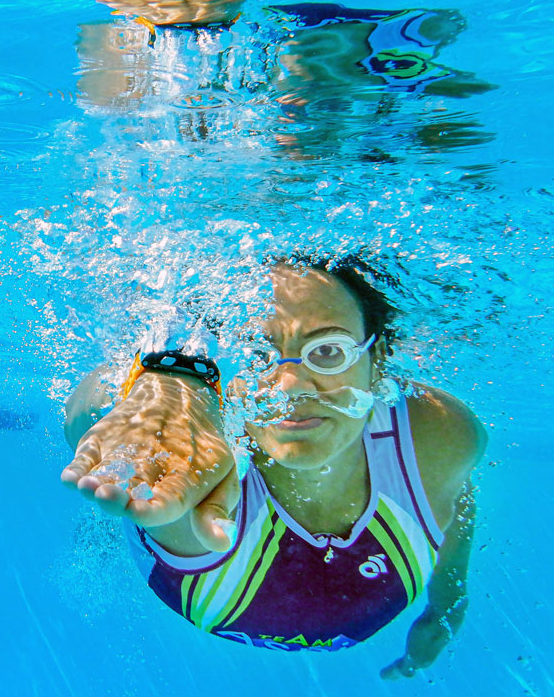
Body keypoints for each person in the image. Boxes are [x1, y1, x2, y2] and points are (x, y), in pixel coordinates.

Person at [62, 255, 486, 677]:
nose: (292, 384)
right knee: (123, 488)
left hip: (273, 601)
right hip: (212, 592)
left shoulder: (440, 431)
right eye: (257, 354)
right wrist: (160, 383)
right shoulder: (192, 472)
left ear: (377, 363)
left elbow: (456, 498)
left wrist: (447, 603)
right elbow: (80, 423)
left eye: (328, 351)